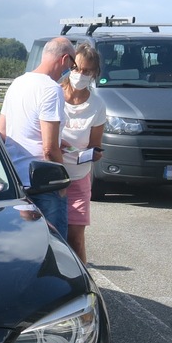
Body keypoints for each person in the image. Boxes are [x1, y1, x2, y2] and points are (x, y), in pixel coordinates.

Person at [0, 37, 77, 238]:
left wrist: (59, 141)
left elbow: (3, 133)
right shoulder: (51, 89)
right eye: (72, 64)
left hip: (17, 180)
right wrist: (61, 183)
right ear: (64, 59)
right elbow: (49, 149)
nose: (70, 69)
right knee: (53, 246)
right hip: (43, 183)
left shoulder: (18, 83)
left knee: (24, 244)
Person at [59, 43, 107, 262]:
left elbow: (95, 146)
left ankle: (82, 283)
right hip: (52, 177)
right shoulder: (55, 95)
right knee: (53, 236)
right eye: (77, 68)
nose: (80, 74)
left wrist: (94, 154)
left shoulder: (97, 105)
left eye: (87, 71)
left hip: (79, 177)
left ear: (94, 73)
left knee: (76, 238)